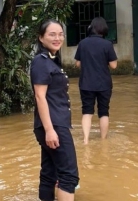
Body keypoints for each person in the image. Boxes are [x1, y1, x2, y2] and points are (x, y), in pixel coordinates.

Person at [30, 19, 79, 201]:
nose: (57, 38)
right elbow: (40, 96)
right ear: (41, 38)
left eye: (60, 34)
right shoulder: (41, 62)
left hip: (52, 124)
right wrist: (50, 130)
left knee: (49, 171)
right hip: (53, 125)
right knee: (69, 176)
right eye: (52, 34)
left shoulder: (51, 60)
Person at [74, 17, 118, 144]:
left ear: (91, 28)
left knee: (87, 111)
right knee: (104, 112)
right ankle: (103, 141)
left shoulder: (82, 43)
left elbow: (77, 64)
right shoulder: (107, 44)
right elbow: (114, 65)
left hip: (86, 83)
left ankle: (86, 140)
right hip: (104, 84)